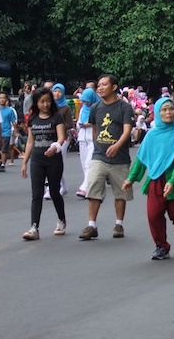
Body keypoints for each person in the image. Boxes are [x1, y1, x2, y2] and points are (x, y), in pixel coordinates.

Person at [122, 97, 174, 260]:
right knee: (154, 214)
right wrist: (130, 178)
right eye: (164, 110)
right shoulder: (151, 135)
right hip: (156, 179)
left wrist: (173, 181)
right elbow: (141, 158)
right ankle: (161, 246)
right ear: (158, 113)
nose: (168, 113)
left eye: (171, 109)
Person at [79, 74, 135, 240]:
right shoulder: (96, 107)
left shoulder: (124, 107)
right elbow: (95, 129)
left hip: (120, 157)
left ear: (114, 87)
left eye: (104, 85)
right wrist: (98, 146)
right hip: (99, 155)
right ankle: (91, 225)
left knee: (120, 192)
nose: (100, 88)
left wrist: (117, 145)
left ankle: (119, 224)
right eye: (99, 86)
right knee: (94, 186)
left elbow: (127, 130)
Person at [20, 88, 67, 240]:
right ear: (36, 103)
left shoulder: (56, 116)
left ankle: (61, 220)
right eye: (41, 101)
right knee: (37, 194)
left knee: (54, 192)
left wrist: (55, 147)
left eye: (47, 101)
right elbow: (29, 141)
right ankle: (34, 227)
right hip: (37, 160)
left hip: (53, 159)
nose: (45, 104)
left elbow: (61, 138)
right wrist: (25, 162)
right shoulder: (33, 119)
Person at [47, 83, 74, 198]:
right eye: (55, 91)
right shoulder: (49, 105)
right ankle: (62, 186)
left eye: (59, 91)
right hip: (49, 137)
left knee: (57, 162)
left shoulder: (66, 107)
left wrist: (59, 125)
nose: (57, 94)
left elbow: (70, 124)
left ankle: (52, 187)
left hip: (63, 138)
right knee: (51, 163)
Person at [76, 87, 98, 198]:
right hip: (82, 138)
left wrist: (89, 124)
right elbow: (78, 122)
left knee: (88, 163)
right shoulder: (83, 109)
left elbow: (99, 122)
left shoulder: (97, 107)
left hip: (92, 138)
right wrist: (80, 124)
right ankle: (89, 185)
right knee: (84, 164)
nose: (85, 103)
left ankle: (84, 187)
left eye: (87, 100)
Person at [0, 91, 18, 173]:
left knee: (4, 149)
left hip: (6, 132)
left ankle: (2, 164)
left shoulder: (10, 110)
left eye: (3, 98)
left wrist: (15, 131)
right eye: (0, 98)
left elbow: (14, 122)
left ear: (6, 99)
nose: (2, 100)